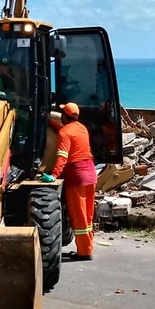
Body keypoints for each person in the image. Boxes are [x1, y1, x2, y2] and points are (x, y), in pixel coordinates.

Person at [40, 102, 96, 260]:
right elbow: (66, 133)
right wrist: (50, 122)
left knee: (79, 217)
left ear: (64, 116)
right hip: (90, 175)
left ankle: (84, 253)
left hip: (77, 177)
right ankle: (88, 247)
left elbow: (62, 157)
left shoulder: (65, 132)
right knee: (88, 216)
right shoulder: (81, 128)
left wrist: (54, 176)